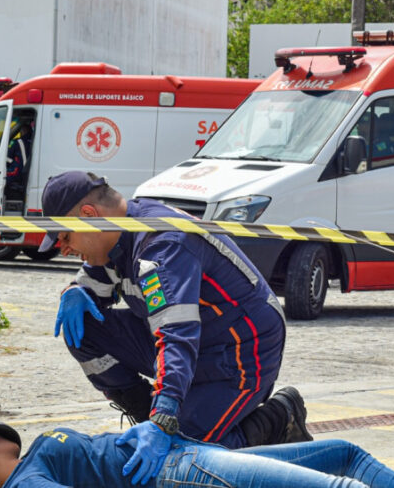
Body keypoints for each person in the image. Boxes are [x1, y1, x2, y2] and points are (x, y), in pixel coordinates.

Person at [38, 171, 306, 476]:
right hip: (195, 343)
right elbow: (95, 281)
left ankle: (275, 421)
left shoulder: (161, 247)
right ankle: (146, 416)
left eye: (65, 237)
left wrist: (165, 418)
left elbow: (177, 336)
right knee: (82, 325)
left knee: (181, 460)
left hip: (240, 351)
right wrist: (76, 290)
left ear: (89, 216)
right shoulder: (120, 231)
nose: (64, 249)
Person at [0, 411, 394, 488]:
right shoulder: (25, 483)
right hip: (180, 473)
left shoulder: (38, 458)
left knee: (346, 454)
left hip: (186, 456)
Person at [4, 117, 34, 202]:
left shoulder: (17, 142)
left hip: (18, 172)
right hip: (27, 173)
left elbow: (6, 158)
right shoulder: (33, 141)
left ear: (23, 131)